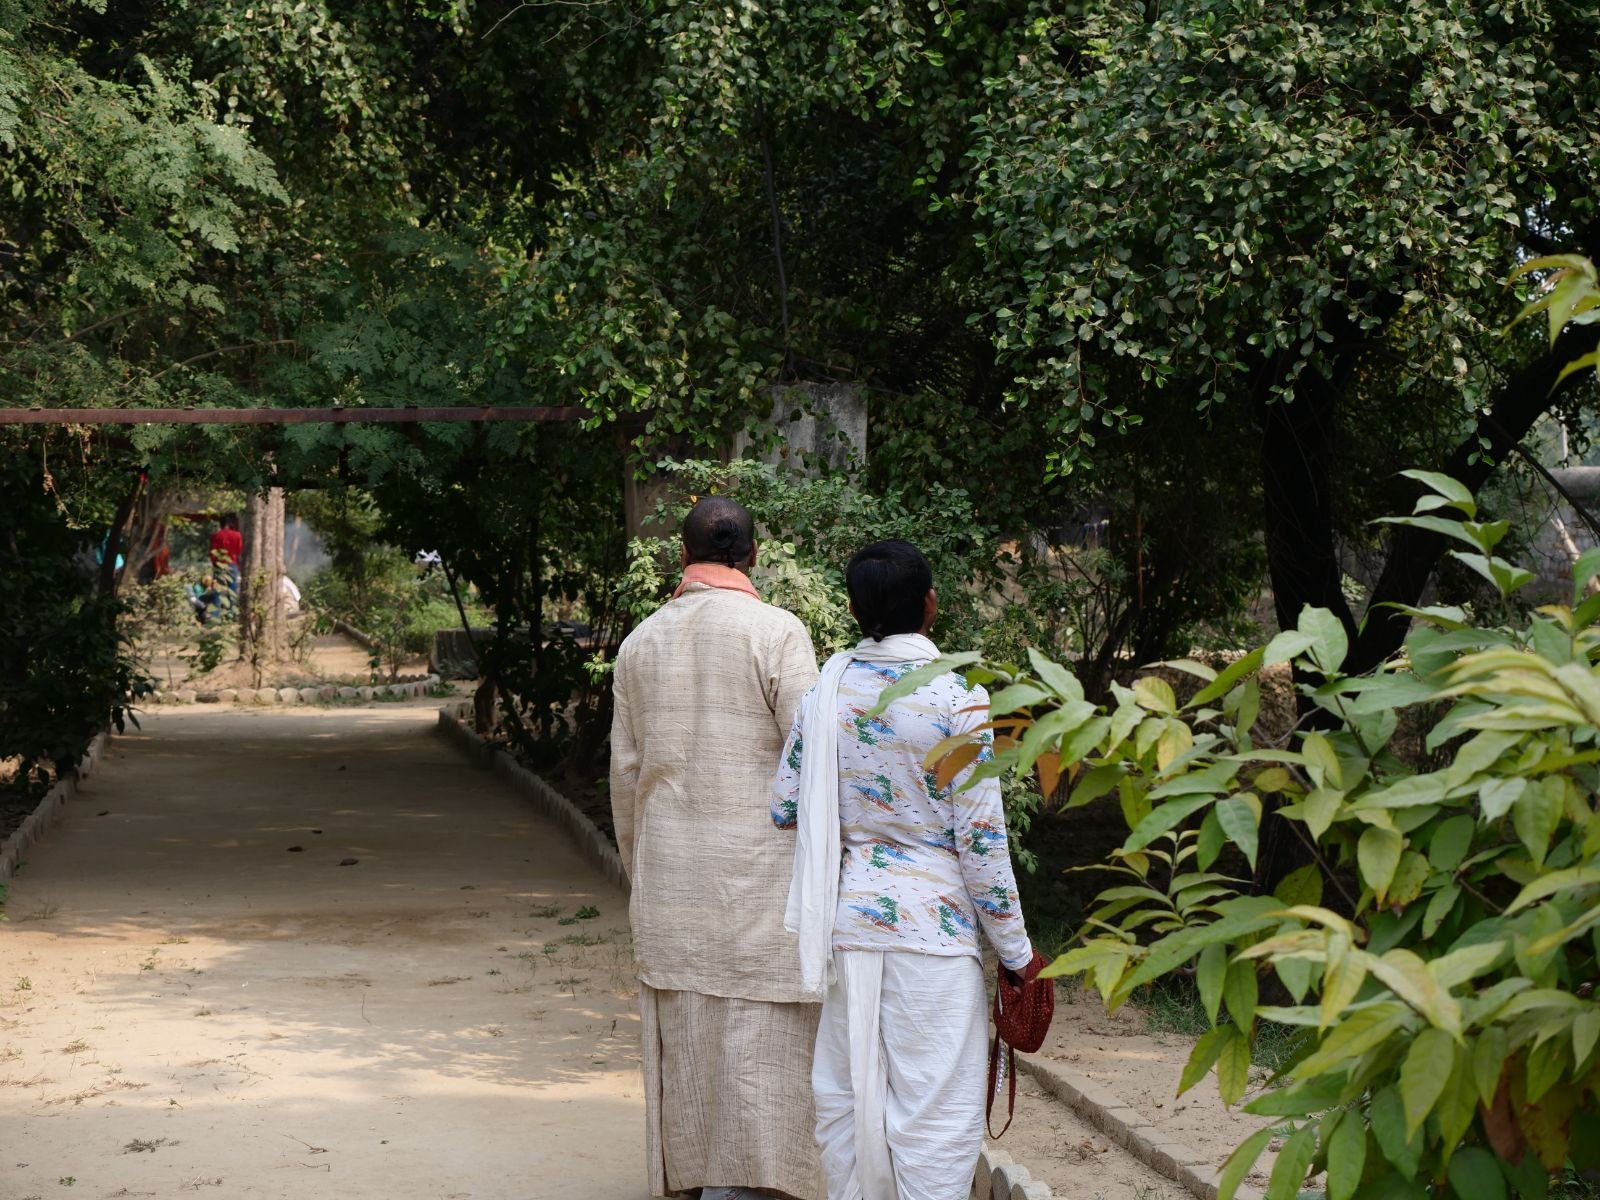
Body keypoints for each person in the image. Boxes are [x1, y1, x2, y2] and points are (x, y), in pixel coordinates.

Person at [773, 540, 1042, 1199]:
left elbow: (784, 806)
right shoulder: (958, 701)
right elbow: (981, 844)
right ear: (931, 606)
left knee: (847, 1105)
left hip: (848, 932)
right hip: (934, 943)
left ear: (852, 606)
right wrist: (1018, 955)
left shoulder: (823, 696)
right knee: (934, 1122)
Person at [610, 496, 824, 1200]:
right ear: (755, 554)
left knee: (693, 1044)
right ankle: (766, 1184)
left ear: (681, 556)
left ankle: (699, 1180)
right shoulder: (779, 633)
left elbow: (625, 776)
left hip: (674, 880)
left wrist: (640, 871)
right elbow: (816, 757)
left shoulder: (640, 643)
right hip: (765, 881)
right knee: (764, 1047)